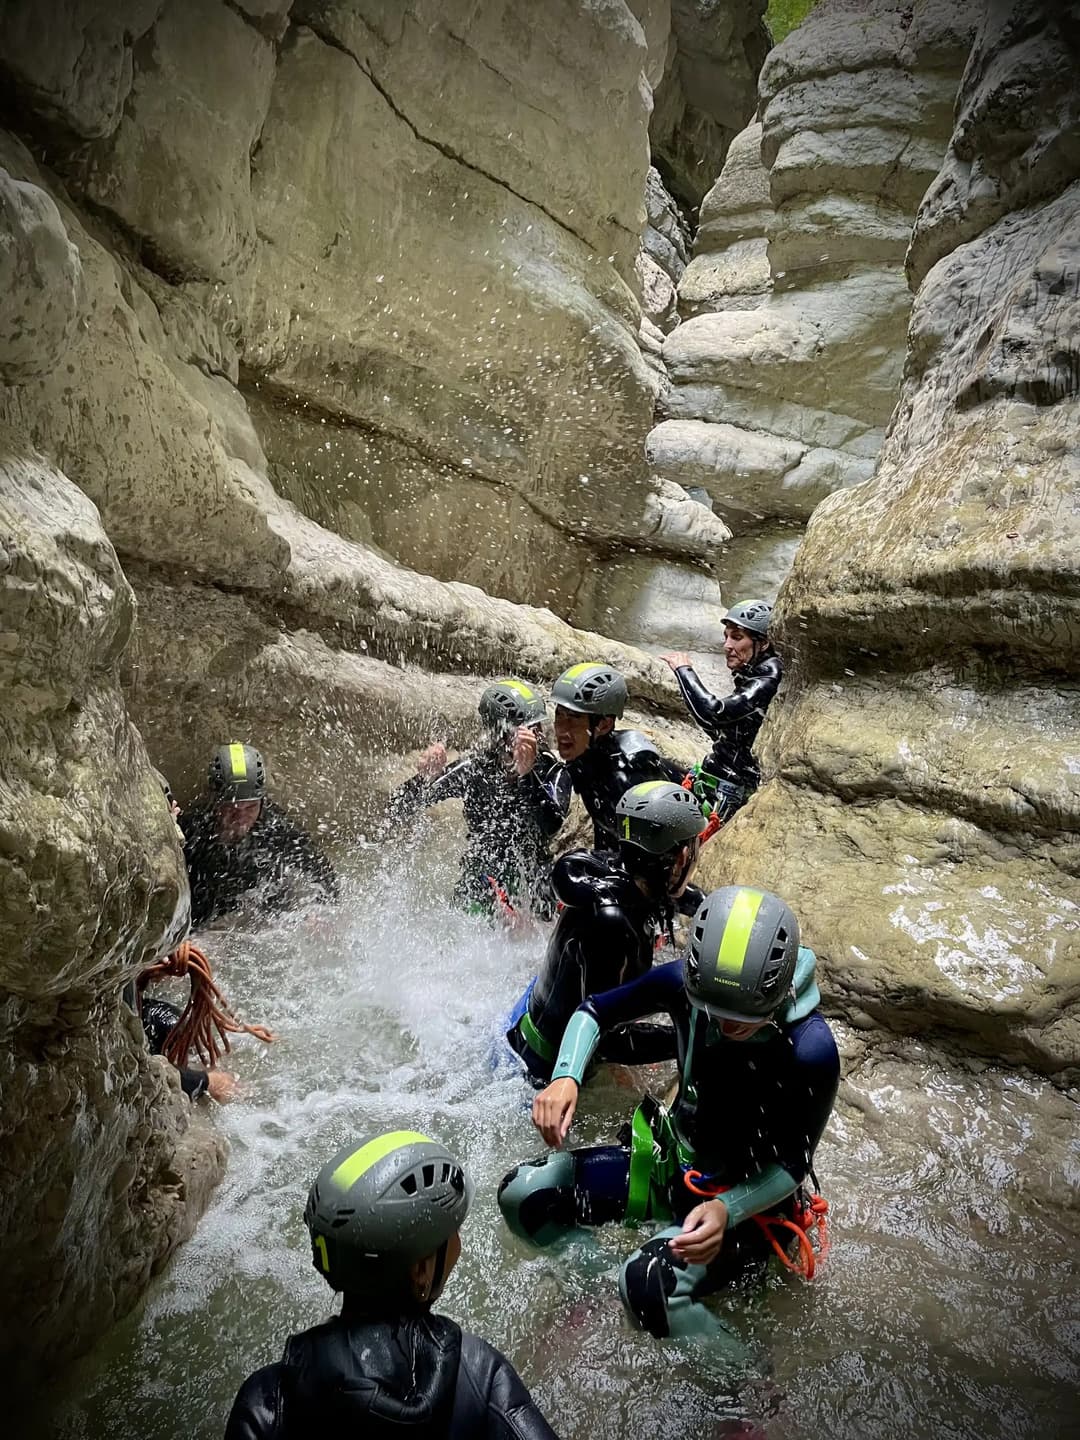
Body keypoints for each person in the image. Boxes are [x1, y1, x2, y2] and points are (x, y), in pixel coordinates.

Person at [498, 887, 839, 1341]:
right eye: (712, 1011)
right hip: (674, 1167)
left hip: (748, 1208)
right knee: (525, 1195)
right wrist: (566, 1076)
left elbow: (794, 1164)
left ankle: (748, 1377)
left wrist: (726, 1209)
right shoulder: (685, 987)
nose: (723, 1026)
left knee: (648, 1285)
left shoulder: (810, 1050)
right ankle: (596, 1285)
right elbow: (594, 1011)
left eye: (740, 1018)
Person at [225, 1130, 559, 1439]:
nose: (458, 1242)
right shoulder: (479, 1375)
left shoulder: (267, 1404)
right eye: (452, 1231)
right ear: (421, 1270)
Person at [504, 781, 707, 1083]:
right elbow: (608, 1038)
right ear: (680, 858)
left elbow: (680, 896)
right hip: (539, 1066)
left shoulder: (619, 871)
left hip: (530, 1014)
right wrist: (691, 1039)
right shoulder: (613, 926)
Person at [387, 679, 571, 919]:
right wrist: (423, 779)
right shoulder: (475, 768)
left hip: (534, 878)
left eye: (536, 728)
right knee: (472, 902)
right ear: (500, 735)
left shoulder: (552, 770)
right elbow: (397, 808)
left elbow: (551, 824)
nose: (534, 738)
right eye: (525, 731)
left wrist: (527, 776)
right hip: (482, 878)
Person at [183, 744, 339, 928]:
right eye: (232, 808)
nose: (241, 817)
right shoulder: (193, 832)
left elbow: (322, 871)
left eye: (250, 807)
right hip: (209, 921)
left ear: (262, 801)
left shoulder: (275, 826)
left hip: (265, 921)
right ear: (215, 802)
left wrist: (320, 911)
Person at [660, 600, 782, 824]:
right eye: (726, 636)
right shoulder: (753, 672)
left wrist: (684, 671)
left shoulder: (767, 677)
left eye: (737, 637)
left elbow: (714, 714)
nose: (727, 645)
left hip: (731, 790)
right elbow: (721, 727)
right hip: (717, 778)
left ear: (763, 643)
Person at [550, 663, 683, 848]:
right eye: (559, 715)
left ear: (604, 725)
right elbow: (605, 831)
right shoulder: (586, 758)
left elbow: (659, 848)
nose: (562, 730)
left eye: (574, 718)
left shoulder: (628, 778)